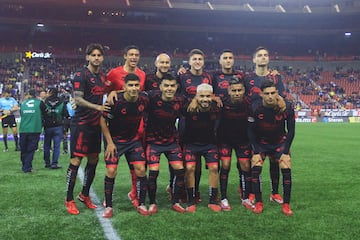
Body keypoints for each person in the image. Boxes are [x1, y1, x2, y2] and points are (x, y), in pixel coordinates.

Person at [65, 43, 109, 215]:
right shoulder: (80, 75)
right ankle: (69, 199)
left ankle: (84, 195)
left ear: (102, 58)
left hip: (95, 125)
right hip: (81, 124)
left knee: (93, 160)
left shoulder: (102, 77)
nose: (96, 58)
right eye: (93, 55)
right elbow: (79, 99)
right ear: (88, 57)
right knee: (76, 161)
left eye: (99, 55)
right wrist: (98, 108)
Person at [101, 73, 149, 218]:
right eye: (130, 85)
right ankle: (108, 206)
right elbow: (102, 121)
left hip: (133, 140)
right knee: (111, 171)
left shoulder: (144, 99)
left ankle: (141, 203)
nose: (134, 88)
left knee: (141, 170)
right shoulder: (115, 101)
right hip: (115, 141)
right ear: (124, 87)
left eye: (136, 85)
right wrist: (109, 143)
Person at [105, 45, 146, 207]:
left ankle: (135, 192)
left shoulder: (142, 75)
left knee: (136, 164)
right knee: (113, 167)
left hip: (135, 123)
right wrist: (112, 93)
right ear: (125, 56)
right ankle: (109, 200)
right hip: (116, 121)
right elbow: (106, 90)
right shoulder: (114, 73)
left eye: (137, 55)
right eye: (131, 54)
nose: (134, 57)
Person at [245, 46, 286, 204]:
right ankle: (252, 192)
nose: (263, 57)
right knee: (254, 160)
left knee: (274, 161)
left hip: (274, 124)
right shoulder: (248, 79)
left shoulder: (277, 78)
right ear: (254, 59)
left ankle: (274, 192)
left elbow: (281, 98)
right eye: (259, 55)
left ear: (268, 59)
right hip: (254, 126)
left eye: (265, 55)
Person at [248, 80, 295, 216]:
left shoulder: (287, 106)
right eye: (266, 93)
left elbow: (291, 131)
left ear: (277, 93)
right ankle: (259, 202)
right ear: (261, 94)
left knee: (286, 168)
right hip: (261, 143)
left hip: (279, 142)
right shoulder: (254, 107)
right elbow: (250, 131)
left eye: (273, 93)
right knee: (256, 168)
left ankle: (286, 204)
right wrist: (256, 151)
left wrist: (286, 151)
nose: (270, 96)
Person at [145, 73, 186, 214]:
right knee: (153, 172)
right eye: (166, 85)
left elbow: (197, 100)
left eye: (172, 86)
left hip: (171, 141)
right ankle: (152, 202)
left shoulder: (180, 101)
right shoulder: (150, 97)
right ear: (160, 86)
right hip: (153, 141)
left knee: (179, 170)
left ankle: (175, 201)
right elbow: (132, 93)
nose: (169, 88)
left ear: (177, 87)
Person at [177, 48, 214, 203]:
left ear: (203, 62)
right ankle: (178, 188)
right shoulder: (182, 76)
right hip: (186, 120)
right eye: (194, 59)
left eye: (200, 59)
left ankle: (195, 191)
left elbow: (214, 94)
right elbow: (175, 93)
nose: (197, 62)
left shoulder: (209, 77)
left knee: (197, 163)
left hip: (205, 121)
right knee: (184, 159)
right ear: (190, 61)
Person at [182, 83, 221, 213]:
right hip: (191, 144)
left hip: (209, 144)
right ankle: (191, 200)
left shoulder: (217, 107)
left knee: (214, 168)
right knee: (190, 168)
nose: (205, 99)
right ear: (196, 96)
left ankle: (213, 200)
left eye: (208, 96)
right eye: (202, 96)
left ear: (213, 97)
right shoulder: (188, 107)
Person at [217, 77, 253, 211]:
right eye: (234, 90)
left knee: (245, 166)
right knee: (225, 165)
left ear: (244, 90)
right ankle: (224, 198)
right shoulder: (223, 103)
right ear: (229, 91)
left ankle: (245, 198)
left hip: (243, 141)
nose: (237, 93)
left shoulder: (249, 104)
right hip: (225, 140)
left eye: (239, 90)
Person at [42, 86, 68, 169]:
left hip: (48, 126)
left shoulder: (45, 101)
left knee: (47, 145)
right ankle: (54, 163)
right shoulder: (61, 102)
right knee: (56, 146)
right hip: (58, 126)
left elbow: (43, 114)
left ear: (51, 92)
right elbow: (65, 114)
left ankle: (47, 163)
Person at [19, 89, 44, 173]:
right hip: (34, 129)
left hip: (23, 129)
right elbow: (45, 113)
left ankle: (24, 165)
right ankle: (27, 167)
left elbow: (21, 114)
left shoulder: (23, 103)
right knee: (31, 149)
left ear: (29, 95)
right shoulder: (40, 103)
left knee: (23, 149)